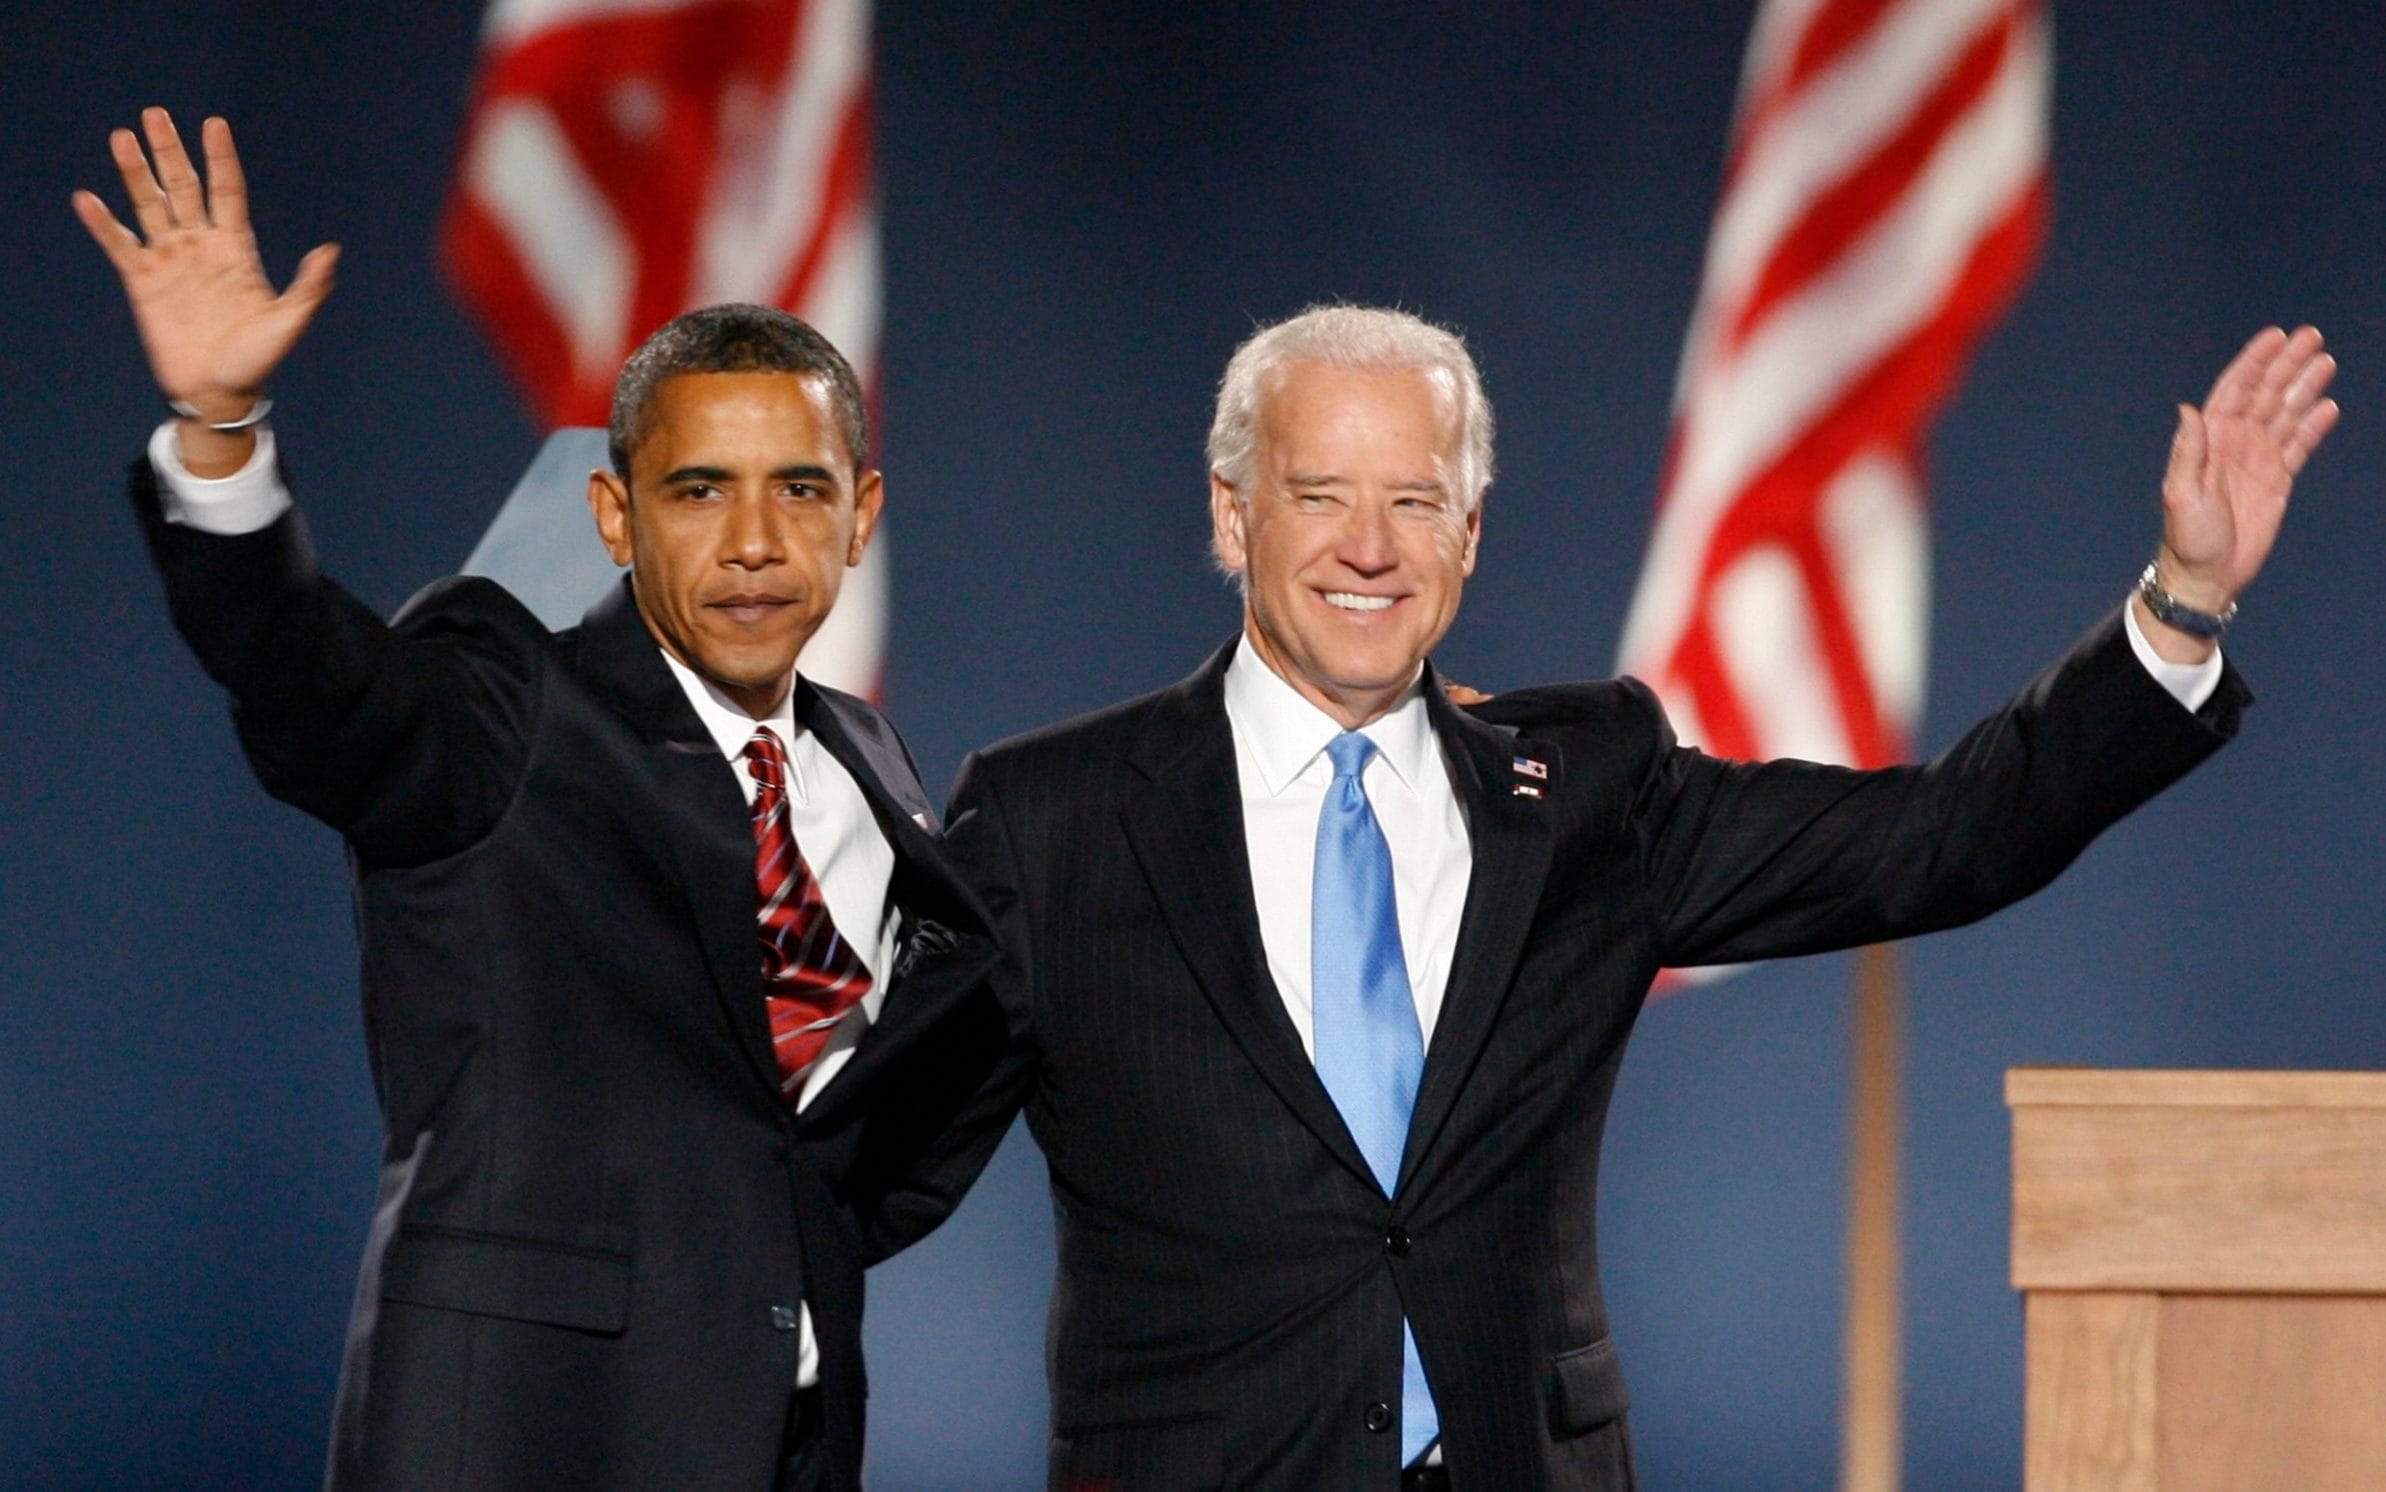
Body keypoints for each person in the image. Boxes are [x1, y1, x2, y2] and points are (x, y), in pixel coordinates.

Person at [888, 303, 2338, 1489]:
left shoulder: (1582, 793)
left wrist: (2181, 603)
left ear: (1470, 530)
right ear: (1229, 512)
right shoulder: (1050, 818)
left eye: (1415, 499)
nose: (1367, 546)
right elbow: (869, 1159)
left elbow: (1939, 838)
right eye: (1318, 495)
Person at [77, 108, 1000, 1492]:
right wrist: (220, 432)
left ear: (858, 515)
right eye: (698, 492)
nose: (755, 542)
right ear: (614, 519)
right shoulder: (504, 697)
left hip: (786, 1440)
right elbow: (318, 687)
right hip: (528, 1437)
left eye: (798, 489)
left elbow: (852, 1115)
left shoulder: (863, 757)